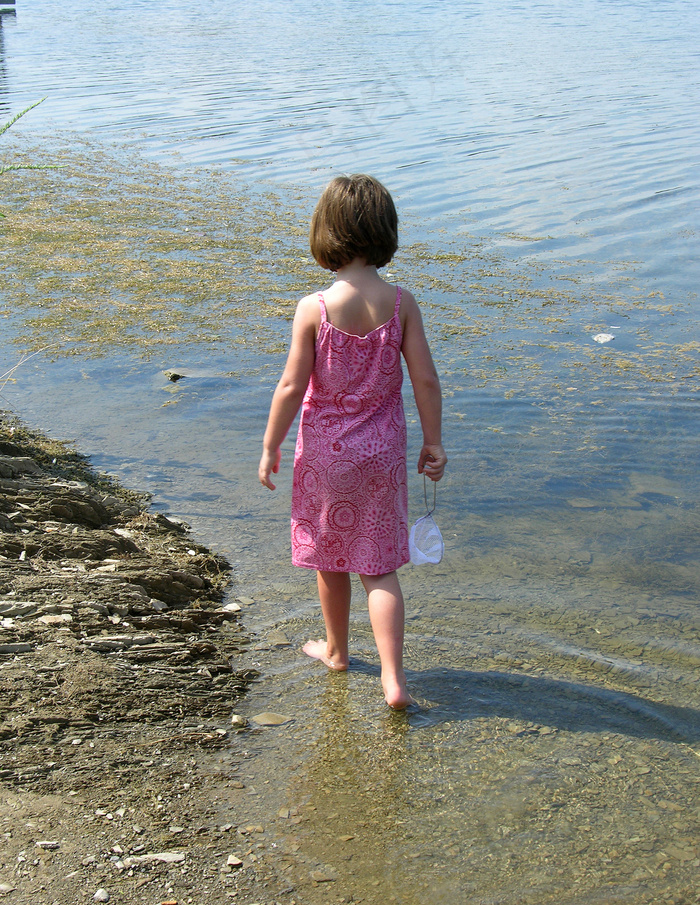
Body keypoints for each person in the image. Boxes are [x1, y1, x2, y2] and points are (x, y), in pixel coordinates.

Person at [258, 174, 446, 710]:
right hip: (382, 453)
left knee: (330, 558)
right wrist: (433, 443)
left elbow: (292, 385)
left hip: (324, 455)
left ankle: (338, 651)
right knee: (379, 566)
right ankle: (393, 680)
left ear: (326, 234)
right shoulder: (401, 303)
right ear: (385, 231)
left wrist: (271, 445)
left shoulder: (314, 308)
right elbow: (426, 380)